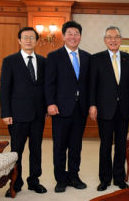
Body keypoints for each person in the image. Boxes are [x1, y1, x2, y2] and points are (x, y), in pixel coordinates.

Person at [0, 27, 47, 197]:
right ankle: (15, 183)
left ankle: (34, 181)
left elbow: (46, 87)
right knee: (16, 151)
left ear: (36, 41)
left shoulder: (43, 61)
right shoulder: (9, 61)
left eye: (32, 38)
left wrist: (48, 106)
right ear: (19, 40)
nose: (28, 40)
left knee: (36, 150)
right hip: (17, 115)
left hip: (38, 114)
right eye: (25, 37)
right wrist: (5, 113)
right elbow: (4, 89)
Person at [45, 21, 91, 193]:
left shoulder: (87, 57)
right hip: (60, 109)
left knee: (76, 146)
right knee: (59, 146)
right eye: (70, 33)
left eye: (76, 33)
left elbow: (89, 84)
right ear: (64, 36)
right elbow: (49, 83)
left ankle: (74, 176)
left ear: (80, 36)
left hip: (80, 109)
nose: (73, 36)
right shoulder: (54, 56)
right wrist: (50, 103)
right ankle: (60, 179)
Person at [89, 26, 129, 191]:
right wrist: (92, 105)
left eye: (116, 37)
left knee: (121, 145)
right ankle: (105, 178)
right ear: (105, 40)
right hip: (104, 109)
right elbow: (92, 85)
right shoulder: (96, 59)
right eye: (109, 37)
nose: (113, 40)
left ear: (120, 39)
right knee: (106, 145)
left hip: (123, 109)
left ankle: (119, 178)